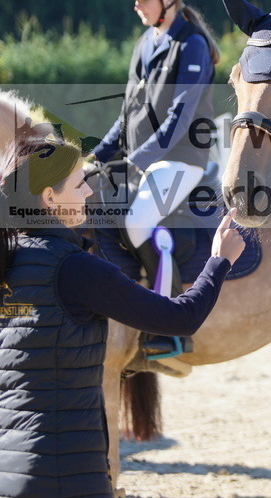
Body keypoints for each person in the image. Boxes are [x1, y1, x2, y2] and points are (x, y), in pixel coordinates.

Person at [0, 134, 244, 497]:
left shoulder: (8, 258)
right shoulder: (76, 268)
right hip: (66, 473)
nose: (88, 192)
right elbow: (181, 318)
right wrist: (219, 262)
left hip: (9, 468)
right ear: (49, 198)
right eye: (80, 183)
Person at [92, 0, 219, 352]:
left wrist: (133, 162)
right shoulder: (146, 43)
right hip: (146, 160)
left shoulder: (193, 45)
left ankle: (169, 328)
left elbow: (179, 121)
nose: (136, 4)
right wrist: (95, 159)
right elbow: (127, 113)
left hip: (184, 160)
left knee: (137, 220)